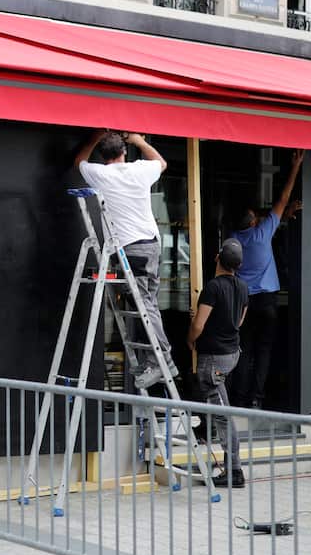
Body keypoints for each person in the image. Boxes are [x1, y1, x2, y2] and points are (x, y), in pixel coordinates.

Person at [75, 129, 176, 387]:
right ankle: (154, 359)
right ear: (123, 152)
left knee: (145, 307)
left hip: (132, 249)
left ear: (103, 155)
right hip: (152, 245)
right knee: (148, 304)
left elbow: (79, 162)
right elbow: (162, 163)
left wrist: (94, 137)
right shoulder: (139, 170)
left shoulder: (101, 174)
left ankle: (162, 361)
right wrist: (139, 140)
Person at [230, 149, 303, 409]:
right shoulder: (263, 233)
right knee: (263, 352)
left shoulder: (234, 239)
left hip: (244, 303)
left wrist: (281, 214)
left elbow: (272, 212)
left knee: (244, 351)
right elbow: (283, 197)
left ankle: (238, 399)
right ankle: (256, 399)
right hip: (268, 303)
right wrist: (295, 166)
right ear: (253, 223)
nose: (259, 216)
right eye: (256, 216)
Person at [186, 238, 248, 488]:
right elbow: (239, 322)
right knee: (222, 409)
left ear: (217, 259)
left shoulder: (212, 288)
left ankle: (234, 472)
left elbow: (199, 325)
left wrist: (190, 340)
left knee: (223, 415)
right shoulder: (243, 287)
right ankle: (231, 468)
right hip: (232, 354)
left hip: (213, 359)